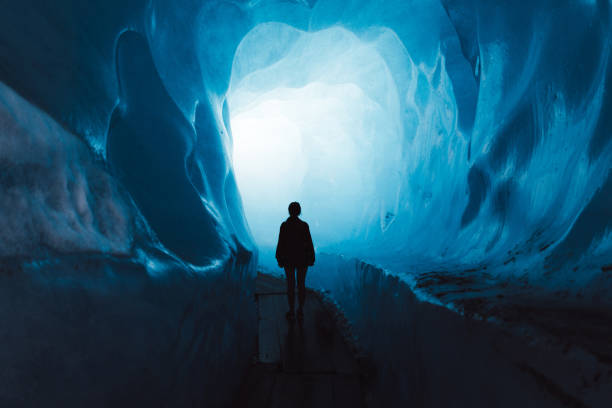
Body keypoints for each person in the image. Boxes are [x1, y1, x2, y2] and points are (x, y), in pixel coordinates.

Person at [275, 202, 315, 322]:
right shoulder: (304, 225)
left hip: (289, 259)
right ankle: (300, 310)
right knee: (301, 284)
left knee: (290, 285)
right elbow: (309, 243)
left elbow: (280, 243)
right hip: (302, 259)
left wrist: (279, 257)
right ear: (299, 211)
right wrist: (311, 257)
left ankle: (291, 310)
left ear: (289, 211)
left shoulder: (284, 226)